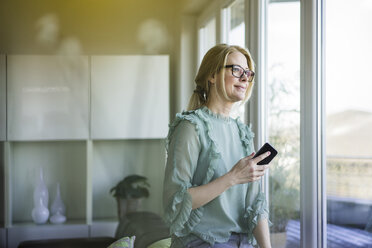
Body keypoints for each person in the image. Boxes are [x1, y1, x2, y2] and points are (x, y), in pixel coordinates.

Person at [163, 44, 272, 248]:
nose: (245, 78)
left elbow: (255, 204)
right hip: (201, 241)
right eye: (236, 70)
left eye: (248, 73)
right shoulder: (191, 127)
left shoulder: (243, 133)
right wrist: (232, 178)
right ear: (212, 76)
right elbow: (175, 201)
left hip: (243, 243)